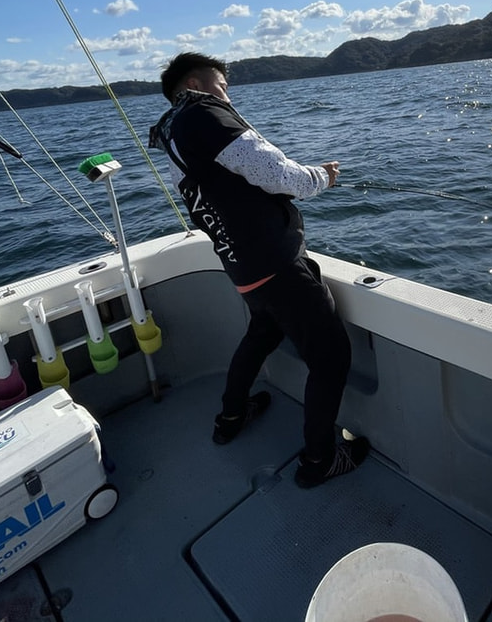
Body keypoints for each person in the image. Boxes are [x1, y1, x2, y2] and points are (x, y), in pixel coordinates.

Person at [149, 51, 369, 488]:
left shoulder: (172, 131)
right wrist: (321, 176)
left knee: (263, 333)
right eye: (222, 84)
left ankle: (231, 416)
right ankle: (319, 460)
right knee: (331, 357)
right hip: (275, 262)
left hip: (242, 266)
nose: (227, 94)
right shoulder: (204, 114)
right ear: (195, 82)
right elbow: (278, 175)